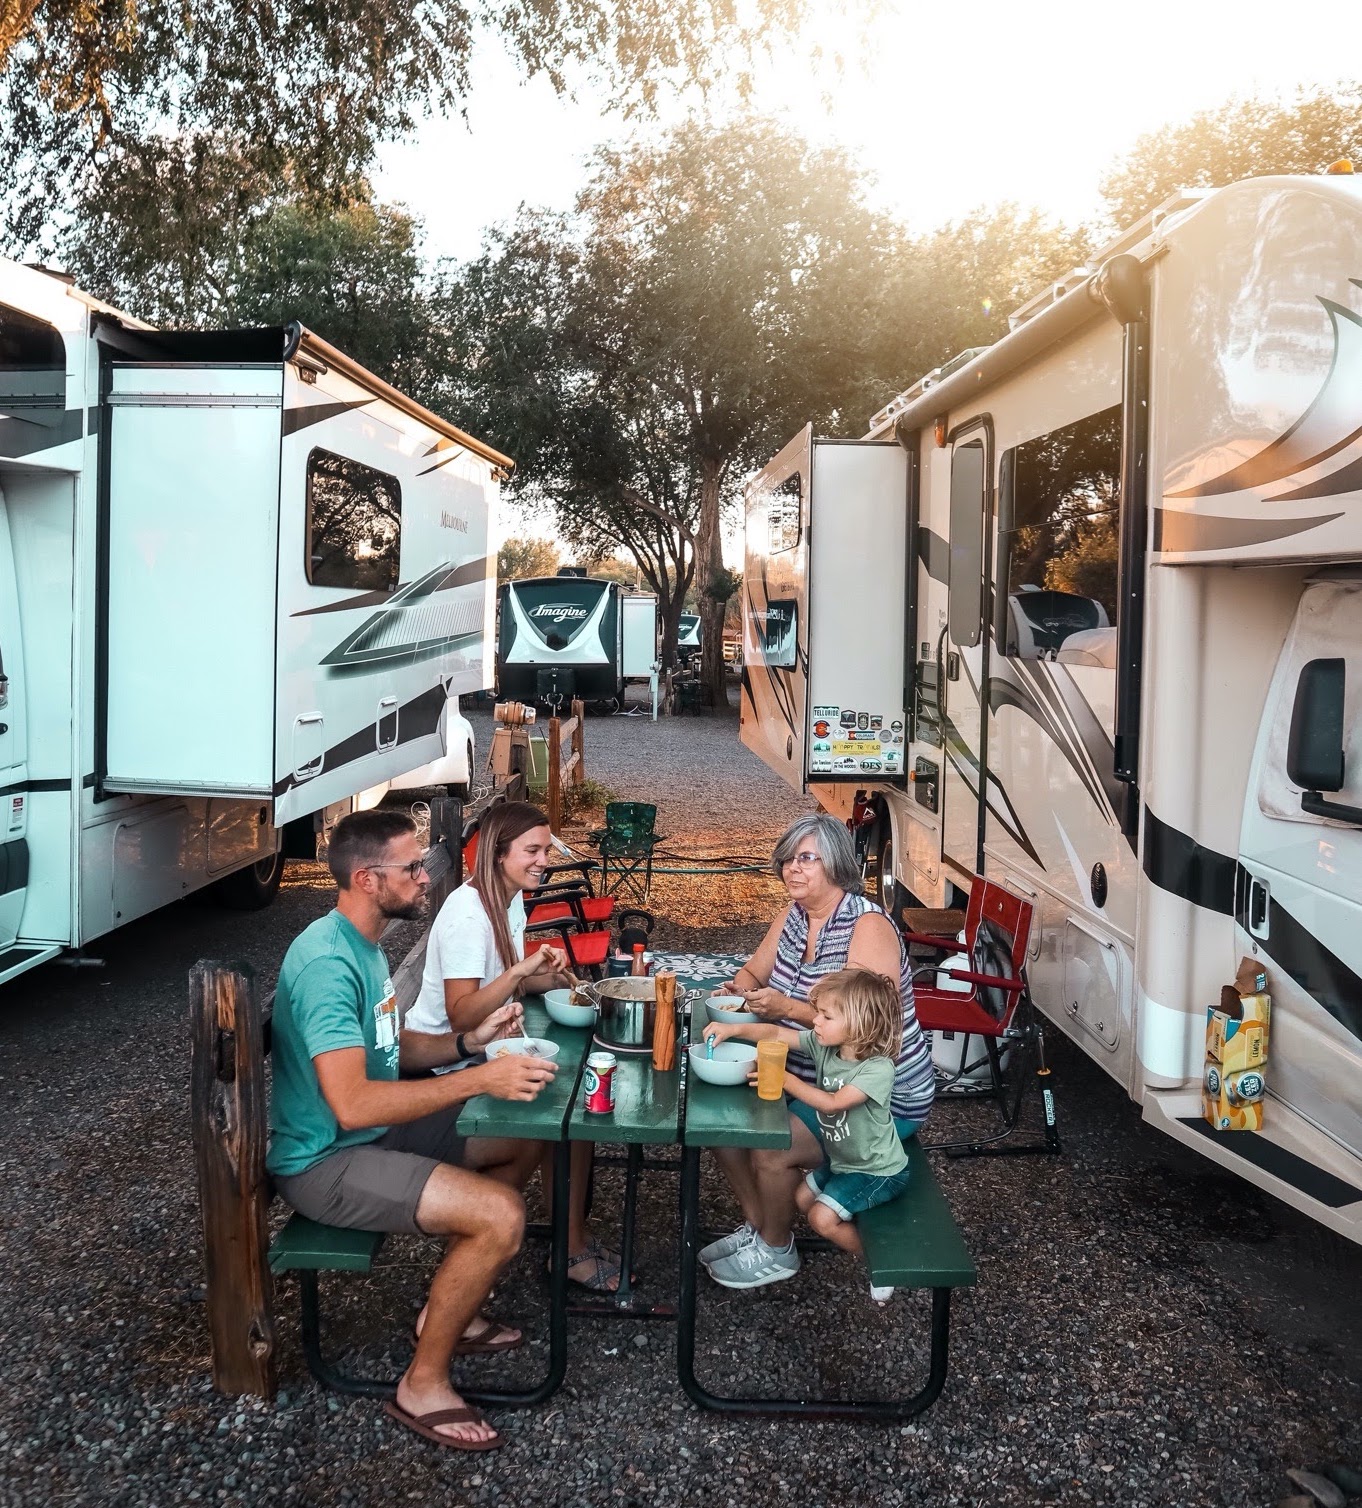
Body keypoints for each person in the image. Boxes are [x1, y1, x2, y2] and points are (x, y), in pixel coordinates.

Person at [268, 808, 558, 1453]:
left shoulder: (362, 943)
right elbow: (353, 1104)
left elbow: (390, 1053)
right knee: (501, 1215)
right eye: (412, 866)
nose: (427, 874)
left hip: (365, 1135)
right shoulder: (326, 964)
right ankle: (422, 1382)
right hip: (325, 1161)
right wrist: (477, 1079)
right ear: (369, 879)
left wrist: (465, 1040)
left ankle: (448, 1307)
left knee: (527, 1138)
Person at [697, 812, 935, 1290]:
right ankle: (762, 1226)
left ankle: (777, 1249)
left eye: (806, 858)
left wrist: (785, 1007)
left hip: (870, 1096)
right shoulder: (794, 916)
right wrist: (737, 994)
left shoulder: (867, 926)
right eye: (787, 859)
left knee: (772, 1147)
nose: (792, 868)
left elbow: (866, 1027)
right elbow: (751, 973)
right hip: (801, 1066)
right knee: (718, 1127)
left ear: (837, 864)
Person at [406, 800, 625, 1292]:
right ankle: (552, 1250)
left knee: (575, 1106)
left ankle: (567, 1242)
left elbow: (504, 986)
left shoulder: (505, 898)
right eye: (533, 850)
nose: (543, 860)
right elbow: (463, 1014)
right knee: (566, 1120)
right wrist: (520, 972)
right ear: (499, 853)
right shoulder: (468, 915)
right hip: (441, 1069)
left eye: (546, 849)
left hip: (480, 1054)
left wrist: (544, 980)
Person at [705, 967, 912, 1302]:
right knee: (801, 1198)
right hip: (845, 1160)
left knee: (820, 1219)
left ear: (860, 1024)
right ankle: (783, 1231)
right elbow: (775, 1034)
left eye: (826, 1016)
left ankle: (884, 1262)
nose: (814, 1021)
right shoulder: (827, 1046)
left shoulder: (876, 1069)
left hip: (876, 1170)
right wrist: (734, 1028)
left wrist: (785, 1079)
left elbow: (831, 1104)